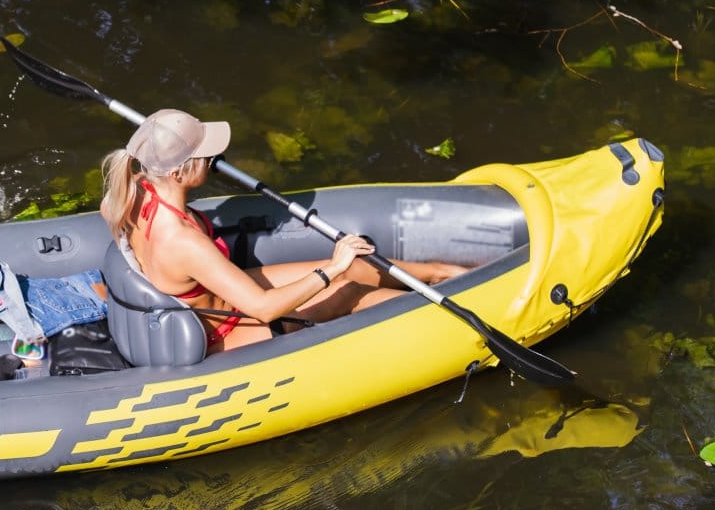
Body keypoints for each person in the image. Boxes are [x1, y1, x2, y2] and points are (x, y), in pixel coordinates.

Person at [99, 109, 467, 353]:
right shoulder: (181, 240)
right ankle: (456, 319)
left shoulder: (130, 194)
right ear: (177, 173)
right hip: (227, 328)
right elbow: (262, 309)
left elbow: (112, 213)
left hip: (219, 297)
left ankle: (446, 274)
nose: (213, 162)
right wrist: (331, 270)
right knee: (349, 288)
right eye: (205, 158)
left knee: (356, 268)